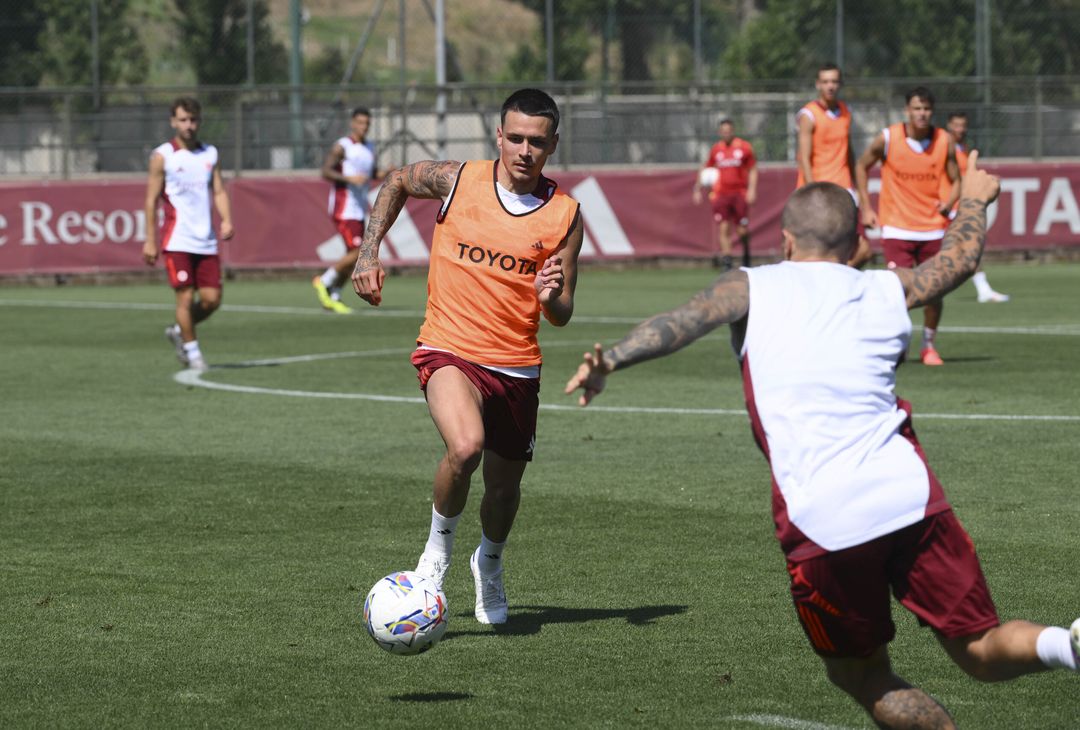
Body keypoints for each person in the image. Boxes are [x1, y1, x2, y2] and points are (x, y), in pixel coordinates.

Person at [565, 160, 1079, 730]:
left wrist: (610, 359)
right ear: (859, 241)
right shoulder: (887, 286)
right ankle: (1070, 645)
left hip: (824, 521)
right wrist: (977, 200)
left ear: (784, 240)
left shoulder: (751, 285)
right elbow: (955, 263)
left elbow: (683, 321)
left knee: (861, 674)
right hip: (911, 496)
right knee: (981, 647)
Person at [352, 88, 584, 624]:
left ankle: (491, 563)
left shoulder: (565, 216)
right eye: (516, 138)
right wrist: (369, 251)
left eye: (538, 142)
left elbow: (563, 310)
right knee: (466, 447)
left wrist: (551, 298)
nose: (525, 151)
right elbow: (396, 181)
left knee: (504, 492)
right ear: (498, 136)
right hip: (448, 347)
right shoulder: (457, 180)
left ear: (553, 145)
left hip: (517, 365)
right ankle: (435, 557)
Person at [856, 86, 958, 367]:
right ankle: (897, 345)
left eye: (926, 109)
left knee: (934, 291)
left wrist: (949, 202)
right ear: (907, 111)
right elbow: (861, 166)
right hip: (897, 228)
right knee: (895, 292)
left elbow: (957, 178)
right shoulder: (888, 138)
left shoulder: (943, 140)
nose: (922, 114)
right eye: (916, 108)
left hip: (932, 228)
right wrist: (866, 206)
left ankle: (928, 345)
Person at [142, 96, 233, 372]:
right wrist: (150, 239)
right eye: (183, 120)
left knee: (211, 300)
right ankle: (193, 354)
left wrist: (227, 219)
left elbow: (217, 190)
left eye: (193, 120)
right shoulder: (163, 156)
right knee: (184, 297)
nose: (189, 125)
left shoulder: (210, 154)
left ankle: (179, 330)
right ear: (173, 122)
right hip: (177, 239)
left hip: (205, 240)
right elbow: (151, 200)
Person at [313, 106, 389, 314]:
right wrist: (348, 179)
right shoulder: (343, 146)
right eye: (360, 123)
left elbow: (370, 172)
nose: (364, 127)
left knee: (353, 255)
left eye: (367, 123)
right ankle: (325, 280)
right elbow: (325, 171)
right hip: (344, 207)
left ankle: (334, 295)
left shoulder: (369, 147)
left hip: (358, 209)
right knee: (357, 252)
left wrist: (386, 172)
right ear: (352, 123)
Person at [796, 63, 871, 268]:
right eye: (826, 81)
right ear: (818, 85)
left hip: (844, 189)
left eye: (834, 81)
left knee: (863, 250)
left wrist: (858, 189)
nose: (830, 86)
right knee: (816, 254)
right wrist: (812, 191)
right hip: (819, 193)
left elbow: (848, 152)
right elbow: (804, 157)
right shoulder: (809, 115)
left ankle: (837, 284)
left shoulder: (845, 111)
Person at [942, 112, 1009, 303]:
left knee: (969, 248)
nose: (960, 129)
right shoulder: (944, 147)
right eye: (956, 125)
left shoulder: (963, 148)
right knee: (964, 248)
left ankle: (983, 289)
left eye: (963, 125)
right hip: (948, 206)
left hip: (960, 205)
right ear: (948, 125)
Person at [693, 118, 757, 271]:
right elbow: (705, 167)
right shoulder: (716, 150)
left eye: (728, 131)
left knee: (742, 230)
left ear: (733, 131)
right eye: (723, 132)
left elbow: (753, 169)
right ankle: (727, 262)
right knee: (723, 227)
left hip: (739, 193)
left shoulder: (744, 147)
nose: (726, 134)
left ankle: (746, 254)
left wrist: (752, 189)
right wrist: (697, 188)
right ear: (719, 133)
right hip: (721, 194)